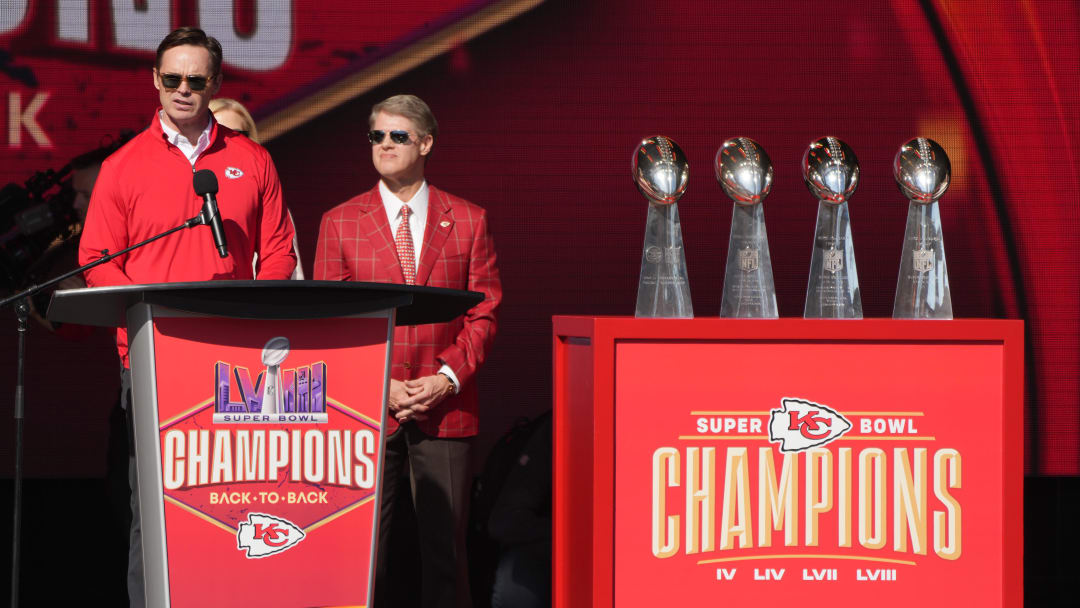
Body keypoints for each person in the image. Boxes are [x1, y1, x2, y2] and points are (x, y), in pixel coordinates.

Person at [78, 27, 296, 607]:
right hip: (152, 362)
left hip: (236, 369)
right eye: (171, 78)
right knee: (154, 510)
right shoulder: (123, 166)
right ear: (154, 80)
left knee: (232, 501)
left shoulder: (252, 159)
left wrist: (253, 325)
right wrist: (150, 323)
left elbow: (276, 253)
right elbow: (97, 260)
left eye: (196, 80)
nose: (182, 89)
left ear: (216, 84)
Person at [314, 94, 501, 608]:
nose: (386, 145)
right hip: (366, 408)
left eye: (398, 136)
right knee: (360, 554)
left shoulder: (467, 219)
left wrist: (446, 379)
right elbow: (331, 323)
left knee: (446, 556)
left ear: (425, 143)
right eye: (377, 136)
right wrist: (379, 384)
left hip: (445, 407)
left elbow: (483, 313)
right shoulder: (340, 221)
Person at [209, 97, 305, 279]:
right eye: (218, 134)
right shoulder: (186, 198)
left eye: (236, 135)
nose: (228, 143)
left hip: (252, 303)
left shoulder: (269, 202)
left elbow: (293, 273)